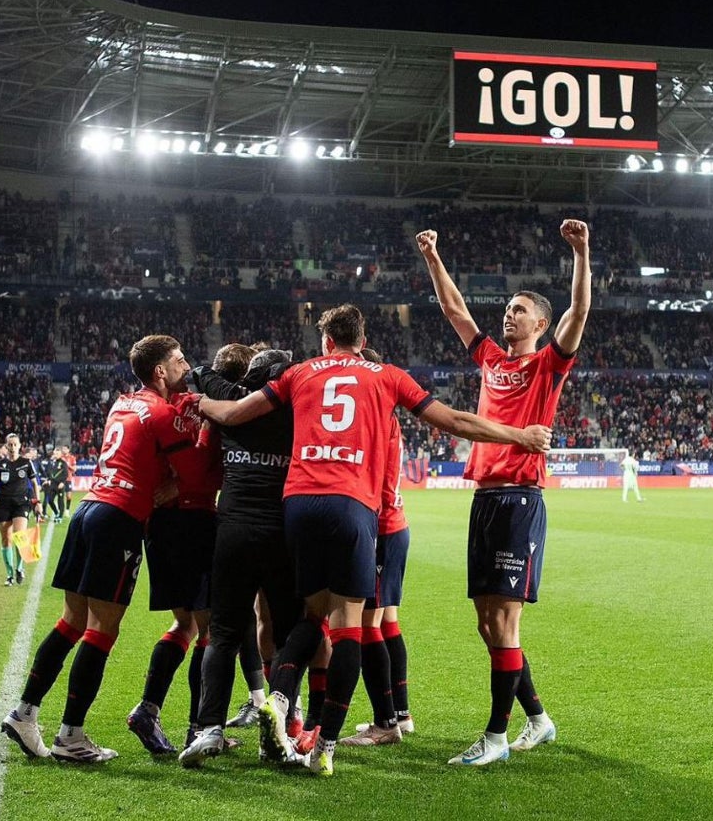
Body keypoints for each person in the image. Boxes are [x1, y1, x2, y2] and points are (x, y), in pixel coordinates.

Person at [198, 304, 551, 776]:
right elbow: (455, 422)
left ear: (326, 341)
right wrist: (519, 436)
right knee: (349, 626)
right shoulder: (387, 376)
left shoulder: (300, 372)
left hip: (299, 504)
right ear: (362, 341)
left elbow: (235, 412)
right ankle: (325, 746)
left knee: (311, 615)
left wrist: (196, 397)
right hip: (353, 506)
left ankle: (279, 701)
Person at [416, 219, 591, 768]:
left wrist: (581, 253)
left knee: (505, 622)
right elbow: (454, 311)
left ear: (540, 321)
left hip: (519, 497)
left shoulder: (548, 364)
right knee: (486, 622)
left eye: (520, 310)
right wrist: (432, 257)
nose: (509, 314)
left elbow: (579, 312)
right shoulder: (492, 359)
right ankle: (538, 719)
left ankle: (495, 737)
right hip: (486, 497)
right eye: (509, 309)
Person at [0, 335, 193, 764]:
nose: (186, 366)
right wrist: (176, 484)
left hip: (87, 511)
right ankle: (71, 736)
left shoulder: (122, 404)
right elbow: (193, 467)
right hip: (119, 519)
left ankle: (25, 713)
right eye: (180, 361)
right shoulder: (163, 412)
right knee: (102, 629)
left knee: (71, 620)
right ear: (160, 371)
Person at [178, 344, 299, 767]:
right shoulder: (294, 410)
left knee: (224, 633)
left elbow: (211, 379)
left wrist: (196, 371)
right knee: (287, 634)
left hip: (231, 532)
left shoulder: (230, 403)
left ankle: (209, 728)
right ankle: (283, 726)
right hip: (281, 534)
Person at [127, 388, 223, 756]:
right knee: (209, 630)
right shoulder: (205, 411)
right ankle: (198, 729)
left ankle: (148, 710)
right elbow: (199, 464)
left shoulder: (160, 410)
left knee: (185, 624)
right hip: (193, 522)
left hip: (161, 526)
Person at [339, 348, 413, 748]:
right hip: (394, 526)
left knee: (368, 626)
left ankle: (386, 723)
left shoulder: (374, 421)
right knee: (387, 623)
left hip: (380, 528)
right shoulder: (388, 418)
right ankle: (400, 711)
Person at [0, 433, 43, 586]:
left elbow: (35, 483)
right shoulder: (0, 463)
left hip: (21, 503)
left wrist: (38, 502)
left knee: (20, 536)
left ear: (19, 446)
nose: (12, 447)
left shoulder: (26, 462)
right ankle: (9, 574)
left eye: (15, 444)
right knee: (6, 538)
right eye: (9, 444)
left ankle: (20, 568)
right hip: (3, 503)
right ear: (6, 446)